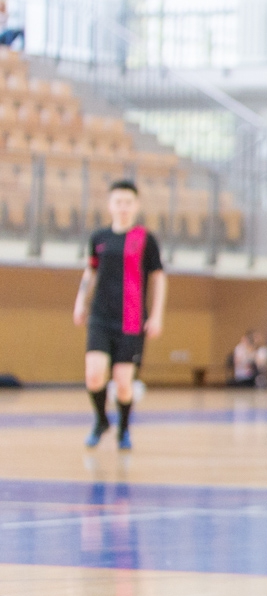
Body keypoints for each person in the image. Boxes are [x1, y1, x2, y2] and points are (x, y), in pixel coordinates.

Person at [73, 180, 165, 450]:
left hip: (131, 320)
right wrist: (80, 302)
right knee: (94, 375)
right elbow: (90, 271)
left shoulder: (145, 239)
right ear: (110, 205)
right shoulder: (99, 238)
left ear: (136, 206)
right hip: (101, 317)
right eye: (118, 202)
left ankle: (124, 429)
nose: (123, 207)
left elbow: (159, 278)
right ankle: (102, 420)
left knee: (124, 385)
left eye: (128, 202)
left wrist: (157, 315)